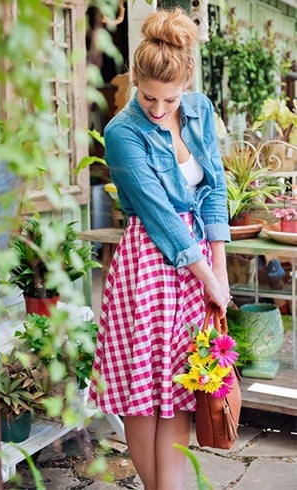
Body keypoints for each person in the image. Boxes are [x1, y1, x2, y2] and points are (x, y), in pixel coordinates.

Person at [89, 7, 231, 490]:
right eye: (147, 96)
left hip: (196, 266)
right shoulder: (122, 133)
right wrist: (208, 278)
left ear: (185, 84)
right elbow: (161, 217)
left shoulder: (201, 110)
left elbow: (214, 190)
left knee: (180, 388)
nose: (156, 107)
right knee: (144, 393)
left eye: (168, 99)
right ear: (134, 82)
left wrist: (221, 270)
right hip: (148, 265)